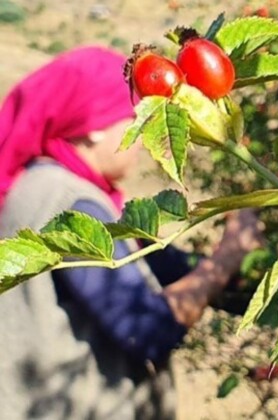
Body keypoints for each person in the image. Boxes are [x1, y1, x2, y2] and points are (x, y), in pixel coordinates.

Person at [0, 47, 262, 419]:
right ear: (92, 128)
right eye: (135, 119)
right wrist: (228, 256)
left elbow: (153, 260)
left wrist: (247, 282)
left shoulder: (51, 184)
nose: (143, 137)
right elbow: (147, 328)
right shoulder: (69, 203)